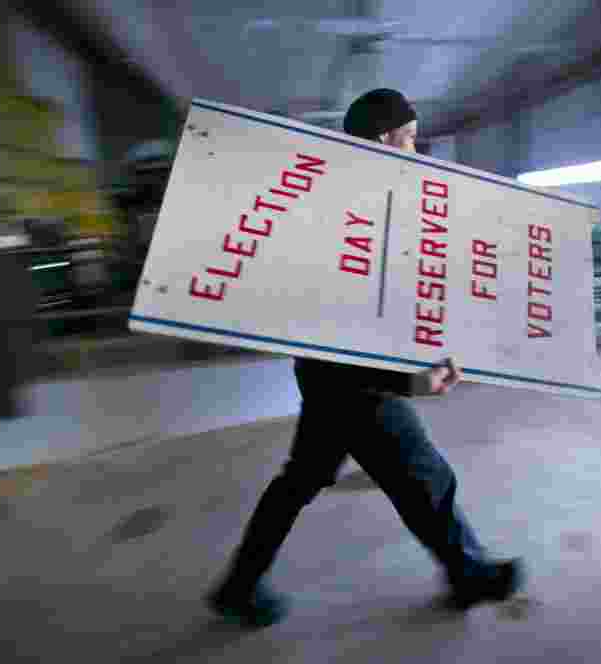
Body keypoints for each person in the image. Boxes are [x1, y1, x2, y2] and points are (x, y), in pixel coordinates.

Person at [206, 89, 524, 628]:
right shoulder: (352, 212)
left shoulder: (348, 198)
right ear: (384, 139)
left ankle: (238, 585)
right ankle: (468, 575)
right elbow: (346, 327)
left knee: (302, 481)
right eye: (411, 139)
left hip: (330, 379)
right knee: (423, 475)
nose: (417, 150)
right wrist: (414, 380)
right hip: (351, 384)